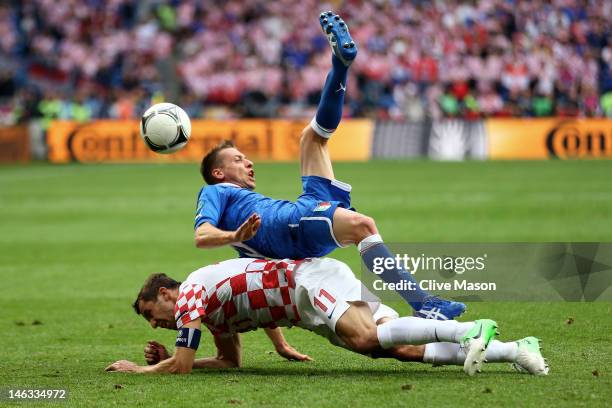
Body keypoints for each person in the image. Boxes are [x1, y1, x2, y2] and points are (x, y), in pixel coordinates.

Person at [193, 11, 465, 321]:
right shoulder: (216, 191)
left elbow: (254, 269)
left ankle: (340, 65)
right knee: (363, 226)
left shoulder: (243, 226)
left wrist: (281, 344)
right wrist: (234, 235)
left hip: (299, 211)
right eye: (238, 160)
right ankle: (423, 303)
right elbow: (202, 236)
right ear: (218, 173)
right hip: (292, 225)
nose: (249, 162)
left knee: (312, 138)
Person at [106, 257, 549, 376]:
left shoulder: (191, 296)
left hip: (309, 280)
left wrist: (146, 369)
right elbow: (229, 362)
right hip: (305, 305)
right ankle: (516, 351)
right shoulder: (210, 315)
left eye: (151, 312)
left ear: (166, 294)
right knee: (394, 349)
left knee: (364, 340)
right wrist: (278, 343)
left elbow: (181, 368)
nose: (154, 322)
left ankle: (469, 329)